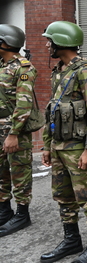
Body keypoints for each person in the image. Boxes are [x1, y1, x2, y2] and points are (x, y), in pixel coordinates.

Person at [40, 21, 87, 263]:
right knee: (63, 196)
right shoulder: (59, 70)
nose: (47, 44)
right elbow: (52, 111)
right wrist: (47, 146)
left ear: (61, 42)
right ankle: (71, 240)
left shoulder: (84, 71)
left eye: (50, 40)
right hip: (58, 146)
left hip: (78, 147)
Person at [0, 24, 37, 237]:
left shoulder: (23, 68)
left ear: (4, 43)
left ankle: (22, 214)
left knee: (20, 172)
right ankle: (4, 210)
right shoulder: (1, 65)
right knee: (1, 171)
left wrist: (13, 134)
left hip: (15, 131)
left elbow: (24, 106)